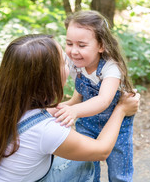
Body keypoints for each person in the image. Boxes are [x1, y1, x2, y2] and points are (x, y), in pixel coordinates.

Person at [0, 34, 140, 182]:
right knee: (82, 160)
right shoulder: (46, 131)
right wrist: (121, 109)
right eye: (64, 62)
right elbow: (101, 150)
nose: (70, 63)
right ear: (48, 78)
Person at [52, 10, 136, 182]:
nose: (74, 51)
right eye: (69, 43)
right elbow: (45, 68)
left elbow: (103, 100)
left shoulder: (110, 68)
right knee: (86, 169)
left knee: (119, 173)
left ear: (101, 46)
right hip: (87, 125)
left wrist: (74, 111)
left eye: (81, 45)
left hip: (117, 127)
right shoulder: (75, 63)